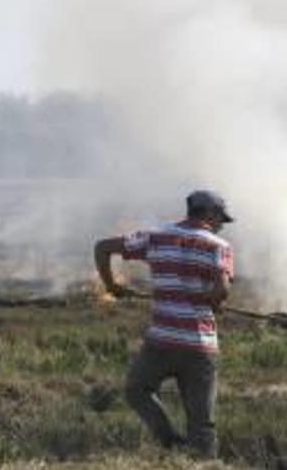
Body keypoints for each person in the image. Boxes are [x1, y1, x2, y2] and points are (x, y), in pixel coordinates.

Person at [93, 190, 235, 459]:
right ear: (210, 214)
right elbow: (222, 291)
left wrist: (112, 286)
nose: (221, 225)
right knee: (202, 422)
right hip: (199, 346)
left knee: (137, 390)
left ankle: (170, 443)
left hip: (161, 342)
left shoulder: (156, 237)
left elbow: (102, 247)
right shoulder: (219, 246)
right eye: (221, 219)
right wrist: (213, 301)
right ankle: (204, 462)